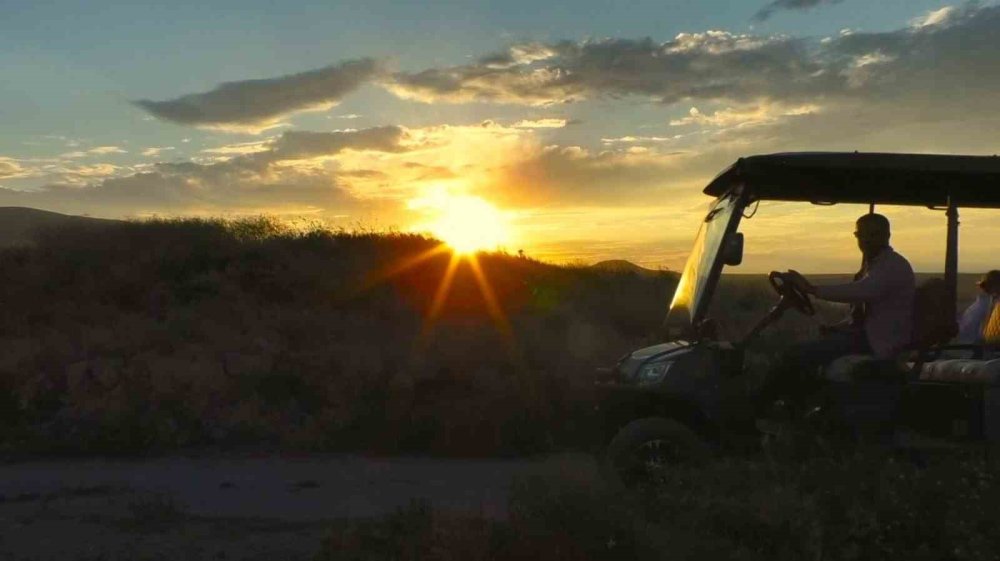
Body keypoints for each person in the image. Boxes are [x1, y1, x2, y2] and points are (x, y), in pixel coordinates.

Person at [757, 213, 915, 413]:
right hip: (866, 336)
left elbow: (862, 291)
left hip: (878, 342)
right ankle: (799, 410)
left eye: (874, 234)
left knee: (795, 355)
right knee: (802, 352)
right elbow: (863, 312)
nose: (866, 240)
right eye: (862, 235)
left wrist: (812, 290)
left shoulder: (892, 266)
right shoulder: (874, 266)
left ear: (887, 235)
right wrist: (838, 327)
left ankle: (759, 412)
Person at [957, 270, 1000, 344]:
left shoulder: (982, 306)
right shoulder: (986, 303)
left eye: (983, 287)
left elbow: (967, 329)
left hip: (977, 347)